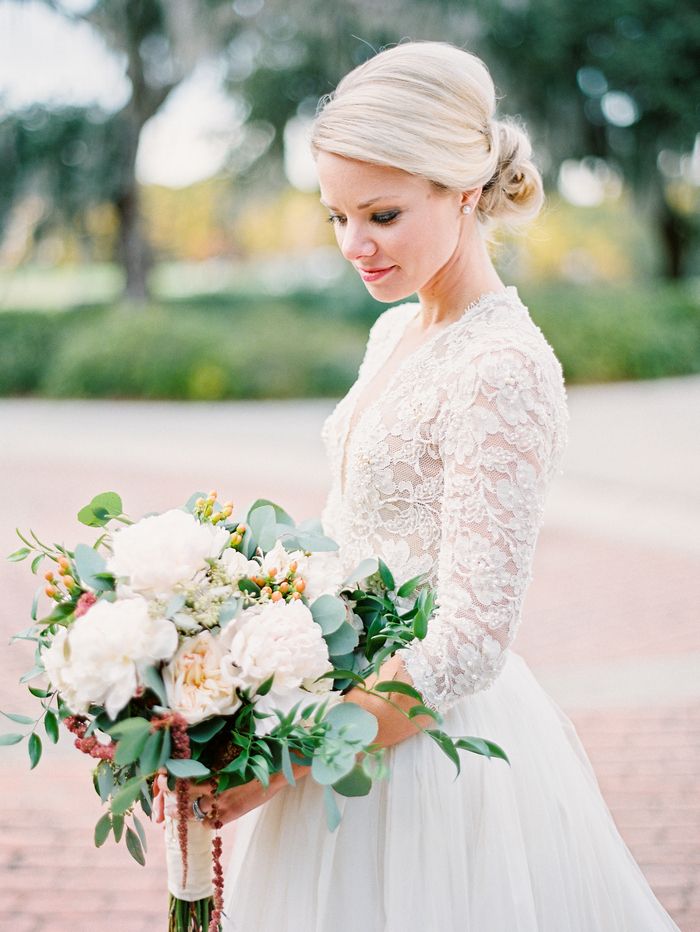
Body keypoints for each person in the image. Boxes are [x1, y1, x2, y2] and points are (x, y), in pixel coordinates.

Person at [157, 42, 681, 931]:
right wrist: (240, 638)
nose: (353, 245)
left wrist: (280, 767)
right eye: (335, 215)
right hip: (337, 718)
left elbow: (471, 639)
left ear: (464, 189)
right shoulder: (394, 332)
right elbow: (349, 536)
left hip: (422, 760)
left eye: (383, 214)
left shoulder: (503, 367)